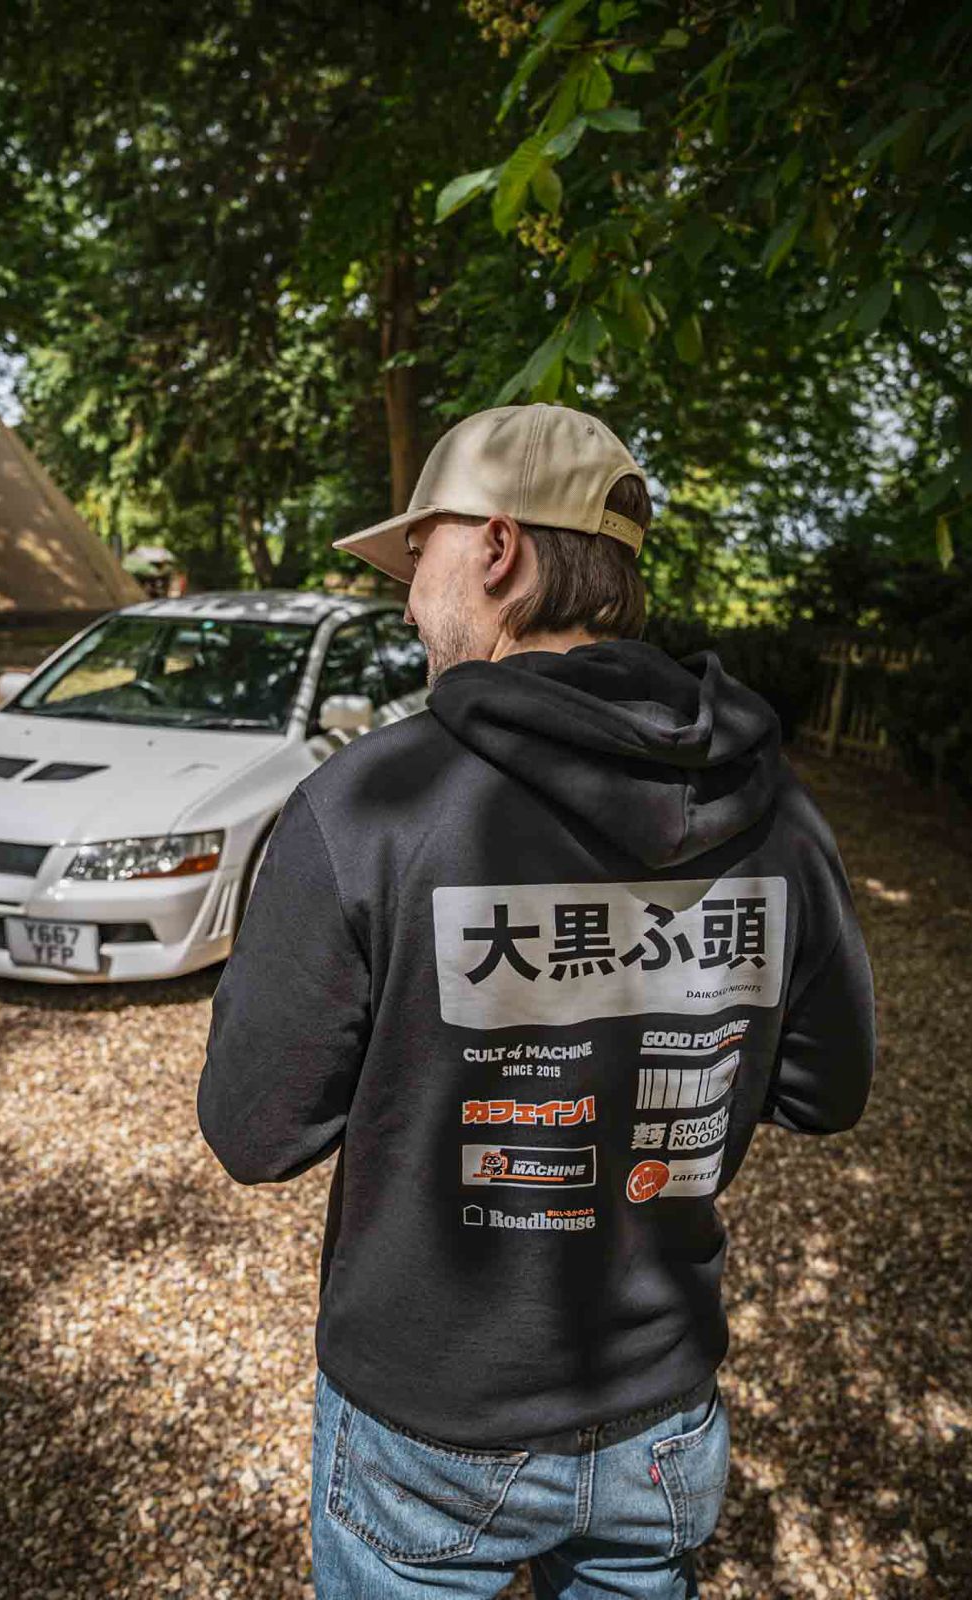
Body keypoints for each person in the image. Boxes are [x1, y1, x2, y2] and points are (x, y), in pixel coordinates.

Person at [196, 403, 876, 1598]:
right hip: (659, 1411)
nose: (410, 601)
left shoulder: (370, 803)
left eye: (421, 557)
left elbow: (255, 1131)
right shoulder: (780, 811)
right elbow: (826, 1088)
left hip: (426, 1426)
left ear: (499, 549)